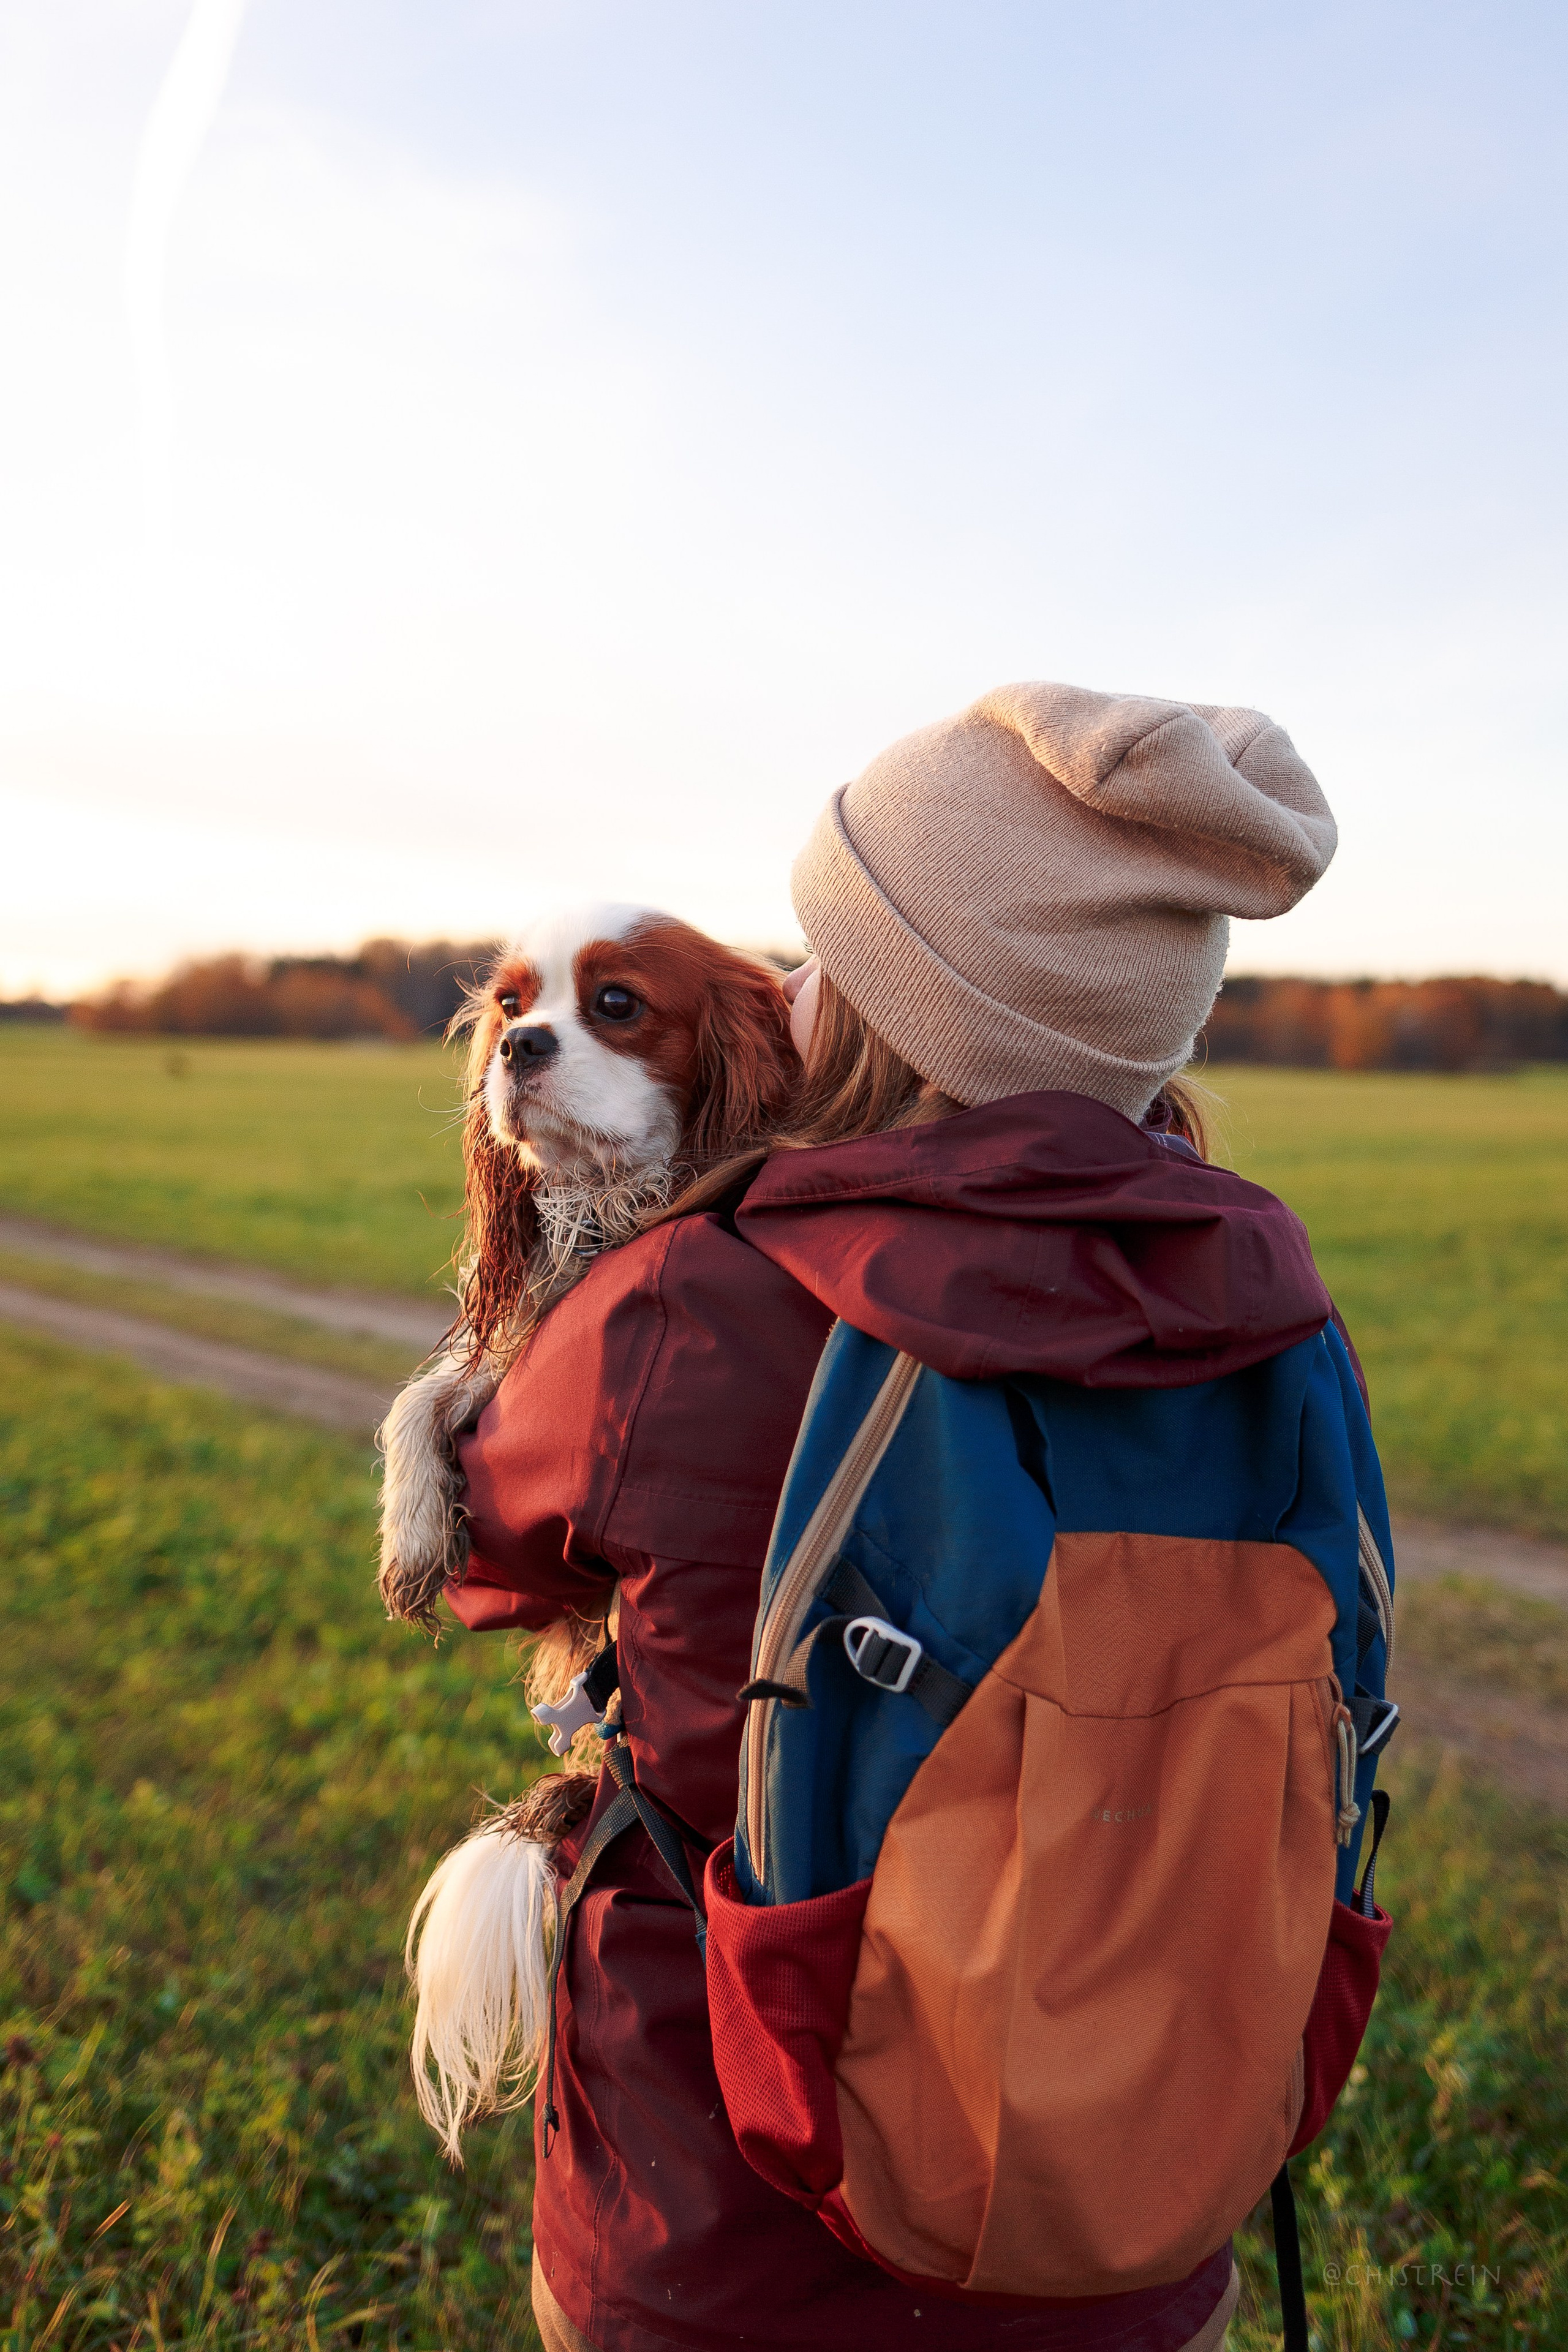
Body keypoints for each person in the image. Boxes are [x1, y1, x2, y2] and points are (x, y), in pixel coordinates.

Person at [447, 680, 1344, 2352]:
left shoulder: (683, 1303)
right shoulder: (1271, 1308)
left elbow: (487, 1571)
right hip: (1142, 2214)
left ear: (886, 1004)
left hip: (726, 2241)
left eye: (821, 949)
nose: (789, 982)